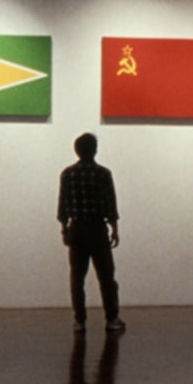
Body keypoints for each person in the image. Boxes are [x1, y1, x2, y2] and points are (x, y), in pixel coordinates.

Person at [58, 132, 123, 333]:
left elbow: (62, 206)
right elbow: (110, 204)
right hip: (97, 229)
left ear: (76, 150)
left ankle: (79, 321)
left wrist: (64, 229)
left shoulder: (68, 174)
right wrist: (114, 229)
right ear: (95, 150)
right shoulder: (103, 174)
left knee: (77, 278)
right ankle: (111, 319)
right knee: (106, 276)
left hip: (77, 229)